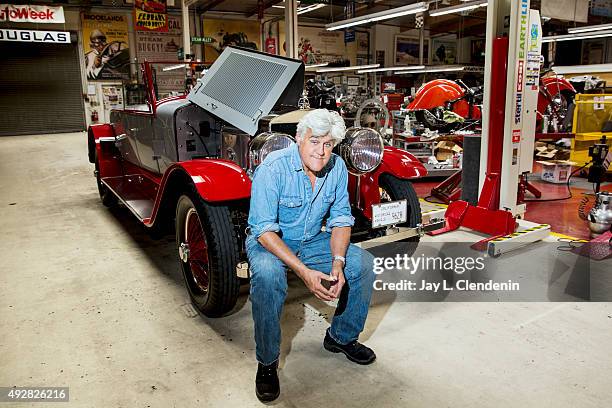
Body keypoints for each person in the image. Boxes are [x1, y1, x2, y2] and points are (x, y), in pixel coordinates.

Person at [246, 109, 376, 402]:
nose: (321, 151)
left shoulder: (337, 167)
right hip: (271, 241)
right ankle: (267, 362)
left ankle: (341, 337)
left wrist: (338, 263)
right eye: (315, 141)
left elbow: (342, 218)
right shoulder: (273, 168)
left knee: (363, 265)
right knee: (268, 276)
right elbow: (264, 230)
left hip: (312, 239)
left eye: (328, 144)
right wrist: (304, 273)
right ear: (299, 139)